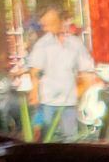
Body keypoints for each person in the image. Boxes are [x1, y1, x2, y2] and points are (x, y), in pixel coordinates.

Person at [26, 8, 97, 139]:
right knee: (47, 139)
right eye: (45, 24)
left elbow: (87, 71)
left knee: (69, 140)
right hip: (47, 102)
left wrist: (78, 92)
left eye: (51, 23)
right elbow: (34, 72)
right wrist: (34, 94)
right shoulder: (42, 45)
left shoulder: (75, 44)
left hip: (68, 103)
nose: (46, 27)